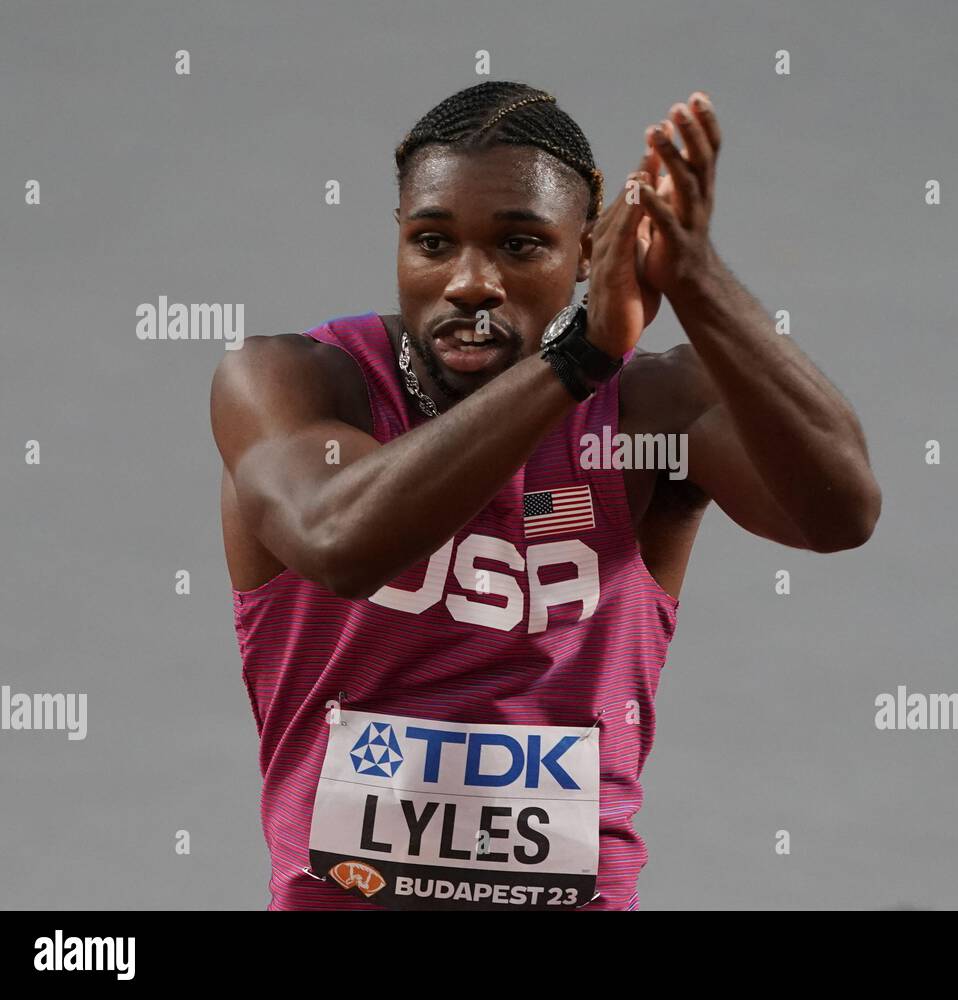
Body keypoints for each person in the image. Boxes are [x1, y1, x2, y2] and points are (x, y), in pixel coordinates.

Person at [210, 80, 881, 910]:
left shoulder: (645, 416)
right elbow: (338, 541)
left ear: (588, 255)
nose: (469, 282)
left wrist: (696, 279)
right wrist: (573, 363)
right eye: (432, 241)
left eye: (521, 246)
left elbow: (841, 512)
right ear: (398, 243)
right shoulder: (292, 383)